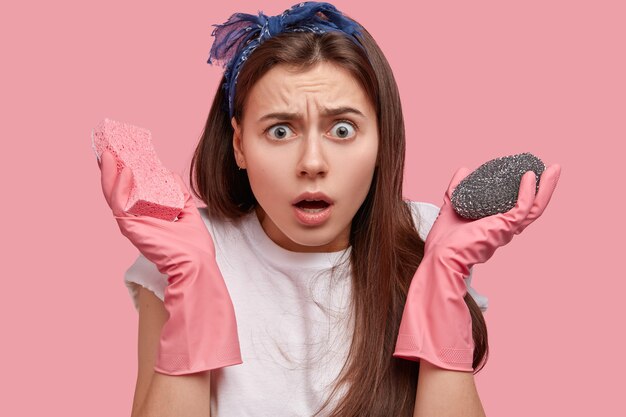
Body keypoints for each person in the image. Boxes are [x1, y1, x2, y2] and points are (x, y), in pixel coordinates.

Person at [97, 2, 560, 416]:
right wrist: (193, 284)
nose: (312, 164)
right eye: (280, 131)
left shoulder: (429, 237)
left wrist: (441, 275)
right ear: (239, 144)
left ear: (382, 140)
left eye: (342, 130)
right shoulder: (187, 249)